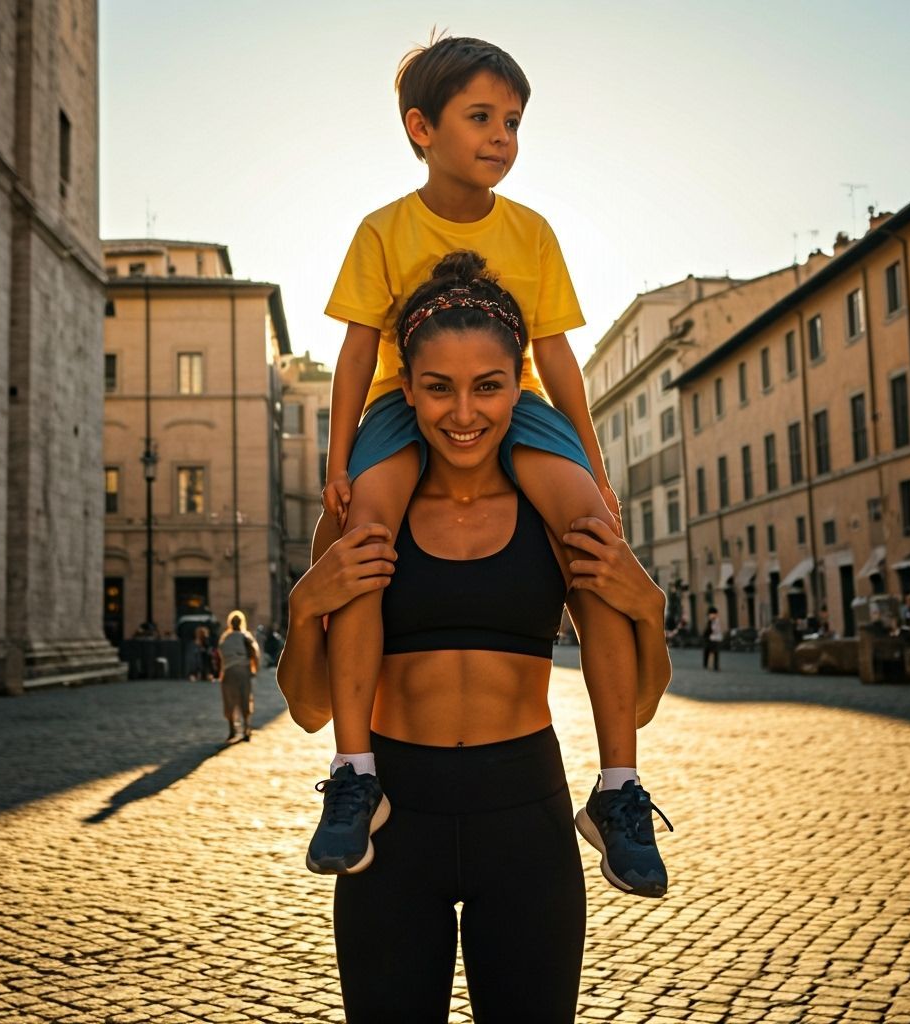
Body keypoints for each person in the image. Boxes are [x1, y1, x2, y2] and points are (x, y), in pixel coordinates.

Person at [278, 254, 673, 1022]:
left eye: (489, 387)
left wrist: (649, 609)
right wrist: (303, 609)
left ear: (518, 385)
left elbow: (645, 700)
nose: (465, 413)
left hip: (523, 816)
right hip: (390, 821)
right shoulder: (364, 509)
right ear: (408, 391)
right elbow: (307, 709)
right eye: (437, 388)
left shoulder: (560, 515)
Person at [312, 33, 652, 889]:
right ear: (421, 128)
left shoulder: (531, 233)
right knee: (363, 549)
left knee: (590, 541)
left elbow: (558, 353)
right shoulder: (382, 229)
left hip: (519, 408)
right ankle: (355, 774)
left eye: (512, 120)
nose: (501, 135)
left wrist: (594, 464)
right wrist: (339, 456)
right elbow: (356, 353)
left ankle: (619, 787)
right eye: (480, 117)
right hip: (400, 405)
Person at [218, 611, 260, 742]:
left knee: (229, 702)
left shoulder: (225, 638)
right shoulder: (245, 636)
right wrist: (254, 669)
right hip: (242, 672)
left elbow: (221, 656)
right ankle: (246, 730)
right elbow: (254, 653)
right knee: (244, 700)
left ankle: (232, 731)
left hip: (229, 672)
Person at [703, 606, 723, 670]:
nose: (711, 615)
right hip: (710, 638)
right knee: (707, 651)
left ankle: (715, 666)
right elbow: (708, 630)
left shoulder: (716, 620)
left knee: (715, 652)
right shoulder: (710, 621)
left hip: (715, 638)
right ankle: (707, 664)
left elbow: (716, 630)